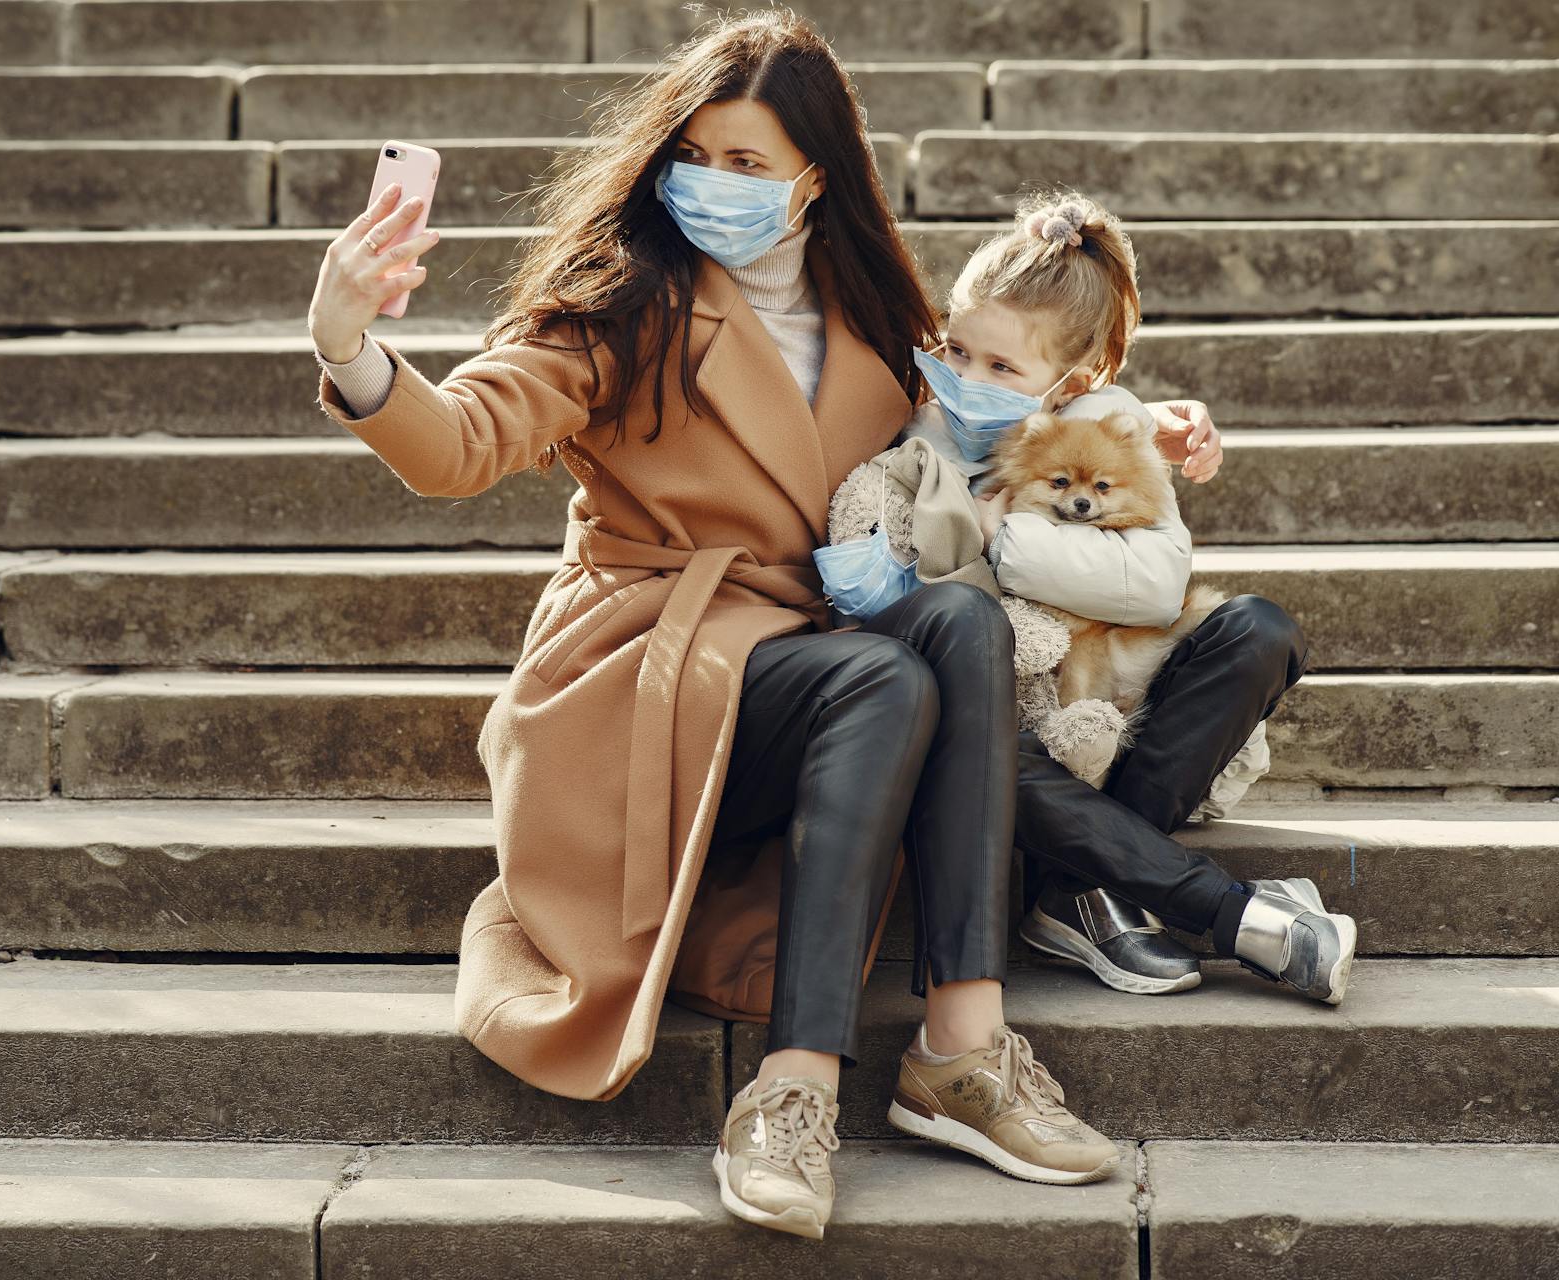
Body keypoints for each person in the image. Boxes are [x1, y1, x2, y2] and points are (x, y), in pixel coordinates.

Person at [307, 10, 1231, 1243]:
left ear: (814, 177)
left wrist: (1134, 429)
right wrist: (351, 344)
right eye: (695, 154)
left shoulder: (874, 317)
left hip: (809, 671)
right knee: (882, 682)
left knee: (954, 625)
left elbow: (976, 433)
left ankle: (962, 1045)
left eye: (748, 163)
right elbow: (465, 439)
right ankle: (791, 1089)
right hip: (649, 677)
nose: (713, 184)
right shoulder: (621, 302)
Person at [838, 191, 1359, 1003]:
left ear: (1068, 386)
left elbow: (1155, 589)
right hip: (1007, 730)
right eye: (957, 350)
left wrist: (997, 530)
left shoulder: (1111, 430)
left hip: (1115, 696)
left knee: (1261, 628)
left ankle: (1072, 891)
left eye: (1003, 368)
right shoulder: (912, 439)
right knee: (968, 731)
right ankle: (1224, 913)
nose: (967, 379)